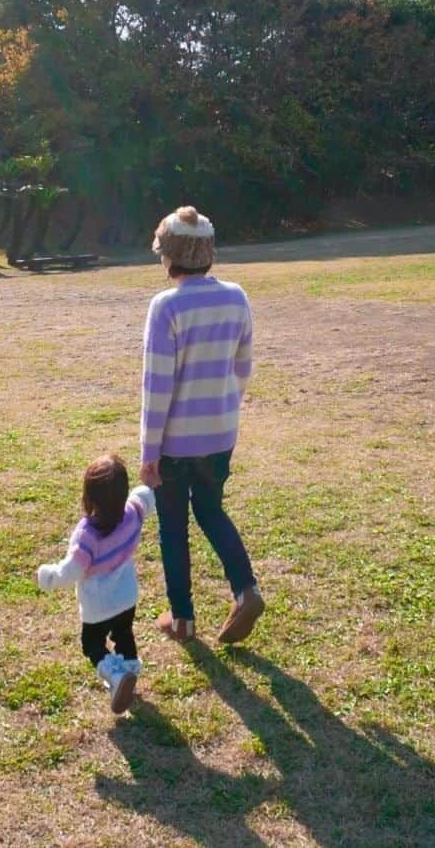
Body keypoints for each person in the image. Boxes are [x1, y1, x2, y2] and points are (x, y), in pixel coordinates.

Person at [140, 205, 264, 645]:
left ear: (168, 256)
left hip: (174, 443)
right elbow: (243, 367)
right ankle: (245, 589)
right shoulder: (236, 297)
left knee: (172, 525)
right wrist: (225, 407)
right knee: (211, 510)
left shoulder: (166, 307)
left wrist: (148, 453)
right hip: (220, 434)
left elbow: (157, 387)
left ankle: (182, 619)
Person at [37, 453, 155, 714]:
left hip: (98, 604)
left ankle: (115, 676)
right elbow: (144, 499)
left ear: (89, 497)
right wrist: (148, 484)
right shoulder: (132, 515)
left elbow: (71, 571)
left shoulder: (87, 535)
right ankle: (130, 666)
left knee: (92, 644)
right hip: (126, 596)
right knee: (123, 633)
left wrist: (49, 576)